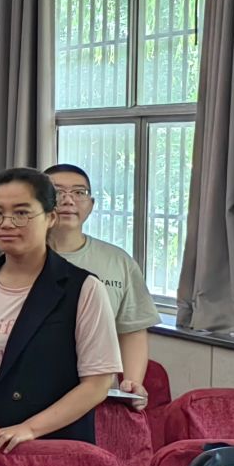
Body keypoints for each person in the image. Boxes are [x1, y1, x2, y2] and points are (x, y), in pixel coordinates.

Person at [0, 169, 121, 453]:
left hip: (53, 449)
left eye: (22, 213)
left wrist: (28, 429)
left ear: (51, 217)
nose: (7, 223)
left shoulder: (82, 288)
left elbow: (97, 384)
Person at [45, 162, 158, 406]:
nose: (68, 200)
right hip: (33, 395)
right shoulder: (21, 260)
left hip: (98, 397)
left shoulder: (118, 261)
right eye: (57, 192)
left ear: (91, 204)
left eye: (79, 192)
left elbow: (131, 329)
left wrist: (132, 383)